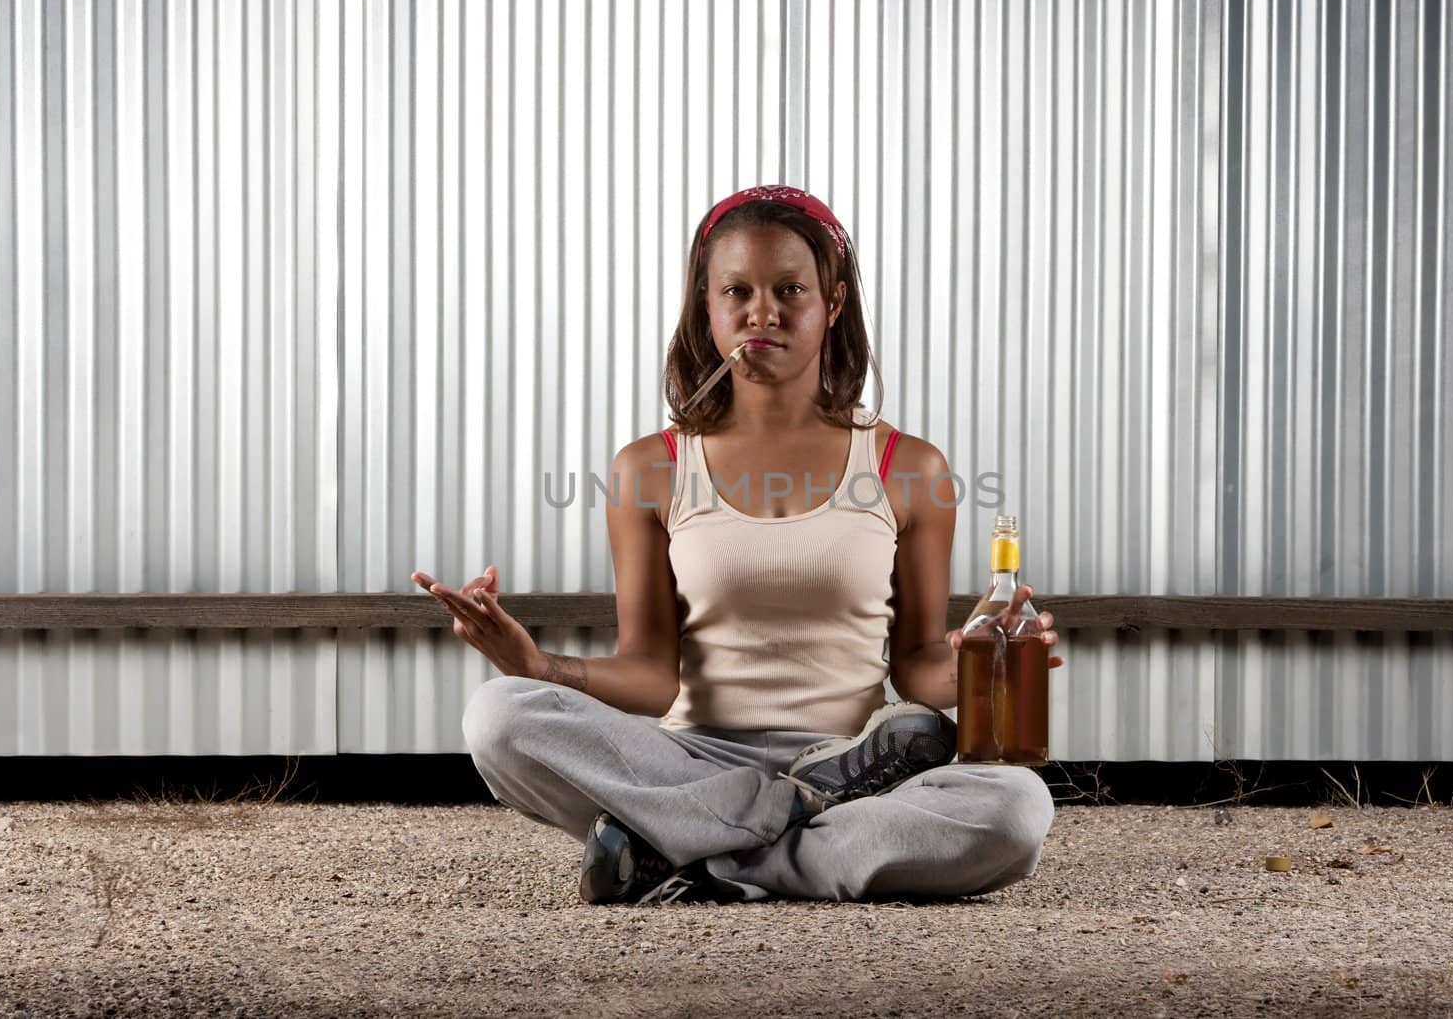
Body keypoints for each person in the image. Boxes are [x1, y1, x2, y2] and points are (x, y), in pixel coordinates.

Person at [412, 185, 1064, 904]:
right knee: (498, 715)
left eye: (791, 289)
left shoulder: (907, 467)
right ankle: (789, 817)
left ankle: (688, 851)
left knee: (1016, 807)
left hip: (854, 758)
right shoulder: (649, 468)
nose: (763, 311)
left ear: (834, 303)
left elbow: (916, 671)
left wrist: (985, 658)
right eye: (737, 291)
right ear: (708, 308)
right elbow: (651, 674)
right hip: (688, 758)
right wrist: (539, 664)